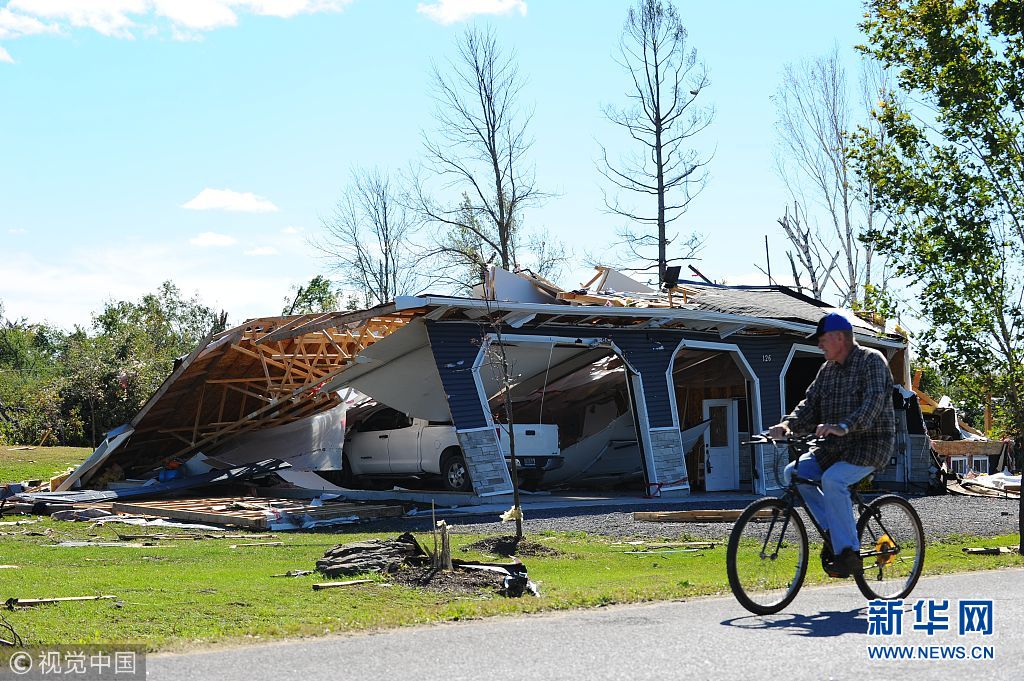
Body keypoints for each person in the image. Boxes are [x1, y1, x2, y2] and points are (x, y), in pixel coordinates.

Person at [769, 312, 895, 577]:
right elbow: (809, 404)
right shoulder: (827, 370)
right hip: (833, 448)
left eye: (823, 339)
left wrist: (844, 426)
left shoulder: (872, 361)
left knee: (834, 481)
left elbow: (873, 404)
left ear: (839, 337)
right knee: (793, 473)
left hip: (869, 444)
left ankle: (848, 553)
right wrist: (788, 425)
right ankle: (835, 531)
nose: (819, 345)